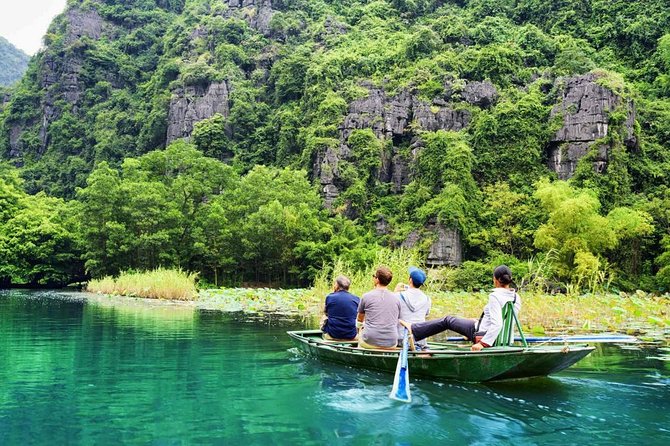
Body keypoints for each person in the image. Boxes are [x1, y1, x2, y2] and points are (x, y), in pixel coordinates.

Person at [400, 265, 521, 352]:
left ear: (495, 279)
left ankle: (414, 329)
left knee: (448, 320)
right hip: (503, 338)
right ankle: (416, 330)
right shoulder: (516, 296)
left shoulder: (495, 296)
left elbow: (497, 324)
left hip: (483, 336)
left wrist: (482, 344)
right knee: (468, 321)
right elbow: (509, 321)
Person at [356, 266, 401, 349]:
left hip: (370, 341)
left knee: (360, 332)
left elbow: (359, 319)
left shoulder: (366, 296)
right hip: (391, 342)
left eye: (374, 276)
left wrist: (360, 330)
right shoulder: (397, 299)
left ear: (377, 279)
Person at [394, 266, 431, 349]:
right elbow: (426, 314)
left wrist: (395, 291)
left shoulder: (398, 296)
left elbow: (390, 311)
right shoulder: (427, 299)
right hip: (420, 340)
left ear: (410, 280)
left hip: (400, 339)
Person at [321, 275, 360, 341]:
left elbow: (326, 313)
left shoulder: (330, 297)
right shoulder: (356, 299)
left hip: (333, 334)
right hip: (351, 335)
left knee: (324, 317)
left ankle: (327, 337)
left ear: (337, 285)